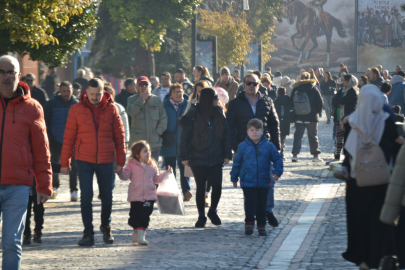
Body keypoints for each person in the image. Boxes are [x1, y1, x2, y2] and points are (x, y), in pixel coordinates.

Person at [342, 84, 404, 269]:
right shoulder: (386, 120)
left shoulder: (353, 121)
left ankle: (363, 258)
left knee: (359, 222)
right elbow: (395, 147)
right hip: (382, 179)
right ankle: (379, 256)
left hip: (357, 181)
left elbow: (348, 152)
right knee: (379, 221)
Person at [0, 55, 52, 269]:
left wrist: (44, 184)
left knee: (11, 243)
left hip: (18, 185)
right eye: (2, 72)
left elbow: (41, 150)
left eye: (10, 72)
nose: (6, 76)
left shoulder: (32, 108)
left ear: (18, 75)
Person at [61, 78, 126, 246]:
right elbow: (69, 137)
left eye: (98, 94)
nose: (95, 97)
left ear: (103, 92)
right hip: (84, 159)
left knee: (107, 196)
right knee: (86, 196)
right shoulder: (76, 109)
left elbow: (120, 137)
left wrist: (121, 161)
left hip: (106, 159)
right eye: (92, 94)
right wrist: (64, 162)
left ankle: (106, 226)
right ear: (86, 92)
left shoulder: (112, 109)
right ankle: (88, 232)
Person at [226, 74, 281, 227]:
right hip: (245, 148)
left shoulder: (267, 101)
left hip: (265, 147)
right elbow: (229, 126)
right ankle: (251, 216)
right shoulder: (235, 103)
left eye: (254, 83)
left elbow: (274, 124)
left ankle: (267, 210)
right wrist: (236, 146)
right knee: (249, 183)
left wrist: (277, 147)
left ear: (259, 85)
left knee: (268, 180)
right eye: (248, 83)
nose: (251, 86)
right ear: (243, 84)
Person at [179, 87, 232, 228]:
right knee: (201, 187)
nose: (217, 100)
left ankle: (213, 210)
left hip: (216, 155)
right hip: (198, 155)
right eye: (215, 97)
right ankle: (201, 215)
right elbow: (184, 137)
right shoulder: (194, 113)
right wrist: (184, 156)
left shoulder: (219, 113)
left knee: (217, 186)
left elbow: (226, 134)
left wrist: (227, 154)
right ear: (209, 99)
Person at [230, 119, 283, 236]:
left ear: (262, 131)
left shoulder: (268, 146)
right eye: (252, 130)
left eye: (257, 130)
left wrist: (277, 172)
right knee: (250, 203)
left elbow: (277, 159)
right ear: (247, 132)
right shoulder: (243, 146)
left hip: (264, 181)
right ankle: (249, 223)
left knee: (261, 204)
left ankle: (261, 225)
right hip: (248, 181)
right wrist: (234, 177)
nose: (254, 133)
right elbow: (237, 163)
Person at [118, 141, 172, 245]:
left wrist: (166, 173)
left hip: (149, 196)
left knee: (144, 216)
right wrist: (120, 172)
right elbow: (125, 176)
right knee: (134, 216)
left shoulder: (153, 165)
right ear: (137, 155)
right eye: (145, 151)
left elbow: (156, 179)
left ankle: (141, 236)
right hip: (135, 196)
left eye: (149, 151)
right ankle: (136, 233)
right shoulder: (131, 165)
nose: (148, 153)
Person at [44, 81, 79, 201]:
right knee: (54, 165)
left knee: (74, 166)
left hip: (73, 141)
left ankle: (74, 190)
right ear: (59, 91)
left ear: (72, 90)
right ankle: (54, 187)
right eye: (64, 91)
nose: (66, 93)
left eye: (68, 91)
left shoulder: (77, 104)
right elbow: (46, 122)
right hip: (55, 140)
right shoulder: (51, 104)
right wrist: (49, 137)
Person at [161, 84, 191, 201]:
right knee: (170, 168)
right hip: (169, 141)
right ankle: (172, 191)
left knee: (185, 167)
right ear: (171, 94)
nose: (179, 94)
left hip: (184, 141)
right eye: (176, 92)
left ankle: (186, 190)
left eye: (180, 91)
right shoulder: (164, 106)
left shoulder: (188, 105)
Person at [127, 76, 167, 161]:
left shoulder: (156, 100)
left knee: (153, 172)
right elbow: (131, 112)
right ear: (137, 87)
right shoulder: (131, 99)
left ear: (150, 86)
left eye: (146, 84)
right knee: (138, 172)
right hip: (138, 145)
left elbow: (163, 118)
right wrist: (141, 99)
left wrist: (158, 131)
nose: (144, 86)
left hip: (154, 145)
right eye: (141, 84)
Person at [290, 72, 323, 162]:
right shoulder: (314, 89)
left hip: (298, 117)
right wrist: (317, 112)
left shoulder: (295, 89)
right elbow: (320, 103)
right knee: (313, 135)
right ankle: (315, 155)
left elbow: (291, 102)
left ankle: (295, 155)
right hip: (311, 117)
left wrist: (293, 115)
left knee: (298, 136)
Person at [331, 74, 359, 161]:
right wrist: (339, 102)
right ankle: (337, 155)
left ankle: (347, 157)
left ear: (349, 82)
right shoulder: (342, 90)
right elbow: (333, 100)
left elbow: (345, 101)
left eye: (344, 81)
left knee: (347, 138)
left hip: (348, 118)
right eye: (342, 81)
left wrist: (339, 101)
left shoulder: (353, 91)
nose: (342, 82)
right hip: (339, 118)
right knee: (338, 137)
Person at [104, 83, 130, 148]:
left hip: (117, 142)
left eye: (108, 96)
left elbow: (125, 126)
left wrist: (126, 141)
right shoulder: (97, 108)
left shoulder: (119, 108)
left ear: (113, 96)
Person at [274, 87, 294, 159]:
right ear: (285, 93)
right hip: (286, 122)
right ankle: (282, 153)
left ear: (278, 93)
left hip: (277, 122)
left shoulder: (275, 101)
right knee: (283, 139)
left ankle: (278, 153)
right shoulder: (289, 101)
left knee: (277, 138)